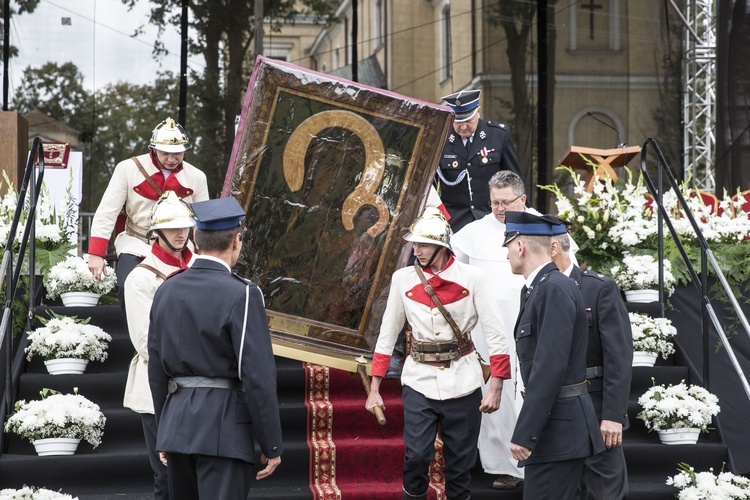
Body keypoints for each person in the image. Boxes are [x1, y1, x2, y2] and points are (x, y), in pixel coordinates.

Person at [365, 207, 511, 500]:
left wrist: (496, 385)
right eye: (415, 243)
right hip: (419, 379)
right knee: (417, 456)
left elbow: (496, 335)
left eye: (424, 244)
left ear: (442, 247)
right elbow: (388, 333)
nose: (416, 250)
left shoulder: (474, 278)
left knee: (460, 466)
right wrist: (375, 387)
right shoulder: (403, 278)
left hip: (464, 380)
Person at [451, 170, 579, 489]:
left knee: (534, 389)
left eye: (506, 202)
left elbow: (567, 264)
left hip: (539, 323)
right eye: (494, 202)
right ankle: (502, 464)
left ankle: (537, 460)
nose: (499, 208)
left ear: (522, 199)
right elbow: (456, 277)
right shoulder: (472, 233)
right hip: (490, 329)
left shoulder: (542, 226)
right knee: (498, 393)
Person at [148, 197, 282, 499]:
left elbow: (156, 370)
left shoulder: (166, 289)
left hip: (177, 428)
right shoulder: (243, 293)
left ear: (195, 238)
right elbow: (258, 375)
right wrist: (271, 443)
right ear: (237, 240)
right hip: (224, 430)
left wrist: (163, 432)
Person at [503, 211, 604, 500]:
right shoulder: (542, 288)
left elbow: (549, 367)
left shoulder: (551, 289)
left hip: (559, 428)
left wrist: (526, 432)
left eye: (508, 247)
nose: (507, 255)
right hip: (558, 426)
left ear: (520, 246)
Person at [87, 117, 209, 310]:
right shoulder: (127, 169)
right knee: (127, 286)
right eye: (165, 153)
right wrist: (96, 253)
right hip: (137, 242)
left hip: (178, 246)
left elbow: (204, 220)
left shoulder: (197, 177)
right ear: (153, 148)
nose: (171, 159)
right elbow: (107, 212)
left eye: (177, 153)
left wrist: (206, 255)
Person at [123, 191, 196, 500]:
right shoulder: (139, 278)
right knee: (167, 480)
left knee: (199, 477)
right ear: (156, 232)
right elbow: (145, 342)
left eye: (185, 226)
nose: (181, 234)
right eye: (171, 228)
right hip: (159, 391)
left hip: (201, 389)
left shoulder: (202, 267)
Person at [550, 232, 633, 500]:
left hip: (596, 405)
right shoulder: (536, 291)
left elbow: (618, 357)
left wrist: (613, 415)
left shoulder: (597, 287)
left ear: (552, 249)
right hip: (556, 409)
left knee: (604, 492)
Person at [435, 89, 522, 232]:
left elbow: (515, 180)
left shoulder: (498, 135)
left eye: (468, 120)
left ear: (478, 111)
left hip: (492, 218)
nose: (463, 127)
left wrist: (523, 216)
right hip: (455, 223)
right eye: (458, 121)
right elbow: (429, 186)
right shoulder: (440, 138)